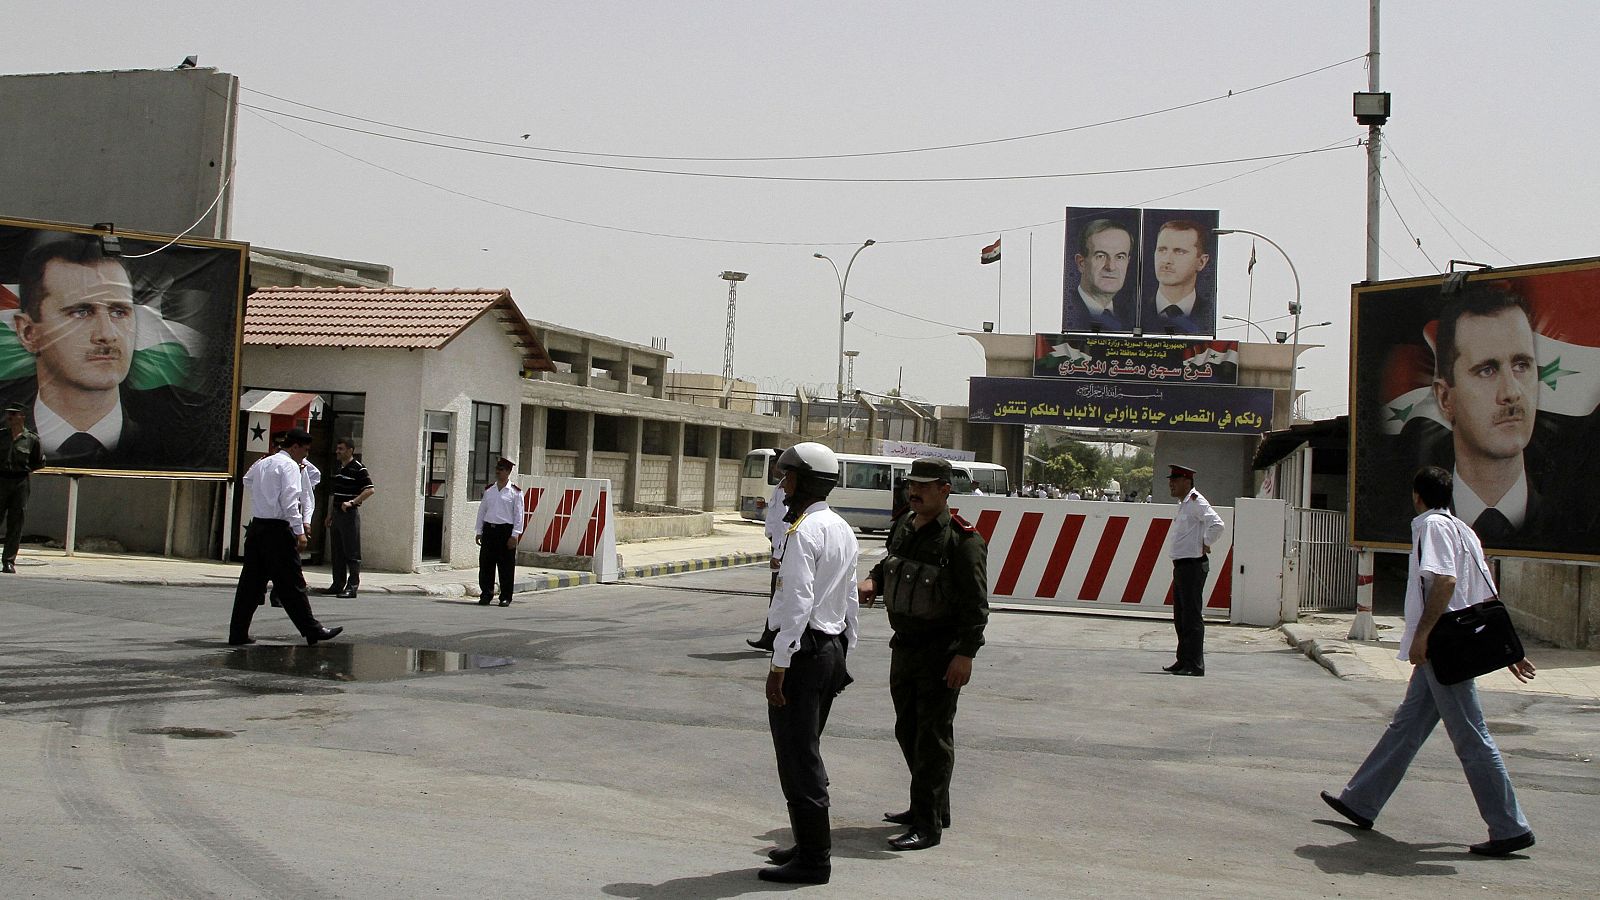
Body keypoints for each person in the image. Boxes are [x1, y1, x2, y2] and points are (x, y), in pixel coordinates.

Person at [1321, 465, 1536, 857]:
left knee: (1472, 737)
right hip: (1453, 644)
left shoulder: (1431, 527)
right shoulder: (1464, 530)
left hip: (1443, 646)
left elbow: (1446, 581)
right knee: (1406, 726)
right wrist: (1510, 649)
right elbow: (1486, 592)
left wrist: (1422, 638)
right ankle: (1360, 800)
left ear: (1417, 495)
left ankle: (1509, 826)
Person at [859, 456, 988, 852]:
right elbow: (890, 564)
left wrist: (965, 654)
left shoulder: (961, 541)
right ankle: (929, 805)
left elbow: (975, 605)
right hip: (906, 646)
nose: (914, 492)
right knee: (908, 729)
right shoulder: (903, 525)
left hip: (941, 652)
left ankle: (927, 825)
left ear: (945, 490)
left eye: (925, 487)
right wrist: (873, 580)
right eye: (912, 485)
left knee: (932, 736)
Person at [2, 235, 198, 468]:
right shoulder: (5, 437)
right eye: (81, 312)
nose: (107, 334)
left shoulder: (173, 443)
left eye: (119, 312)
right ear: (28, 333)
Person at [758, 442, 859, 885]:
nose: (783, 484)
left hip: (805, 652)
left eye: (789, 477)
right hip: (830, 648)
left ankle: (815, 860)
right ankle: (805, 843)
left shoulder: (804, 532)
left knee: (799, 758)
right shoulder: (841, 528)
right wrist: (844, 650)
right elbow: (851, 597)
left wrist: (780, 663)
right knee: (806, 749)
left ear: (807, 482)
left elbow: (797, 600)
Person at [1431, 287, 1542, 544]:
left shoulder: (1574, 527)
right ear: (1445, 398)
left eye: (1521, 365)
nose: (1511, 392)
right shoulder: (1410, 525)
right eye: (1487, 371)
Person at [228, 427, 343, 647]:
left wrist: (264, 497)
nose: (305, 456)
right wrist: (299, 531)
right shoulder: (289, 465)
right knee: (292, 583)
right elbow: (291, 502)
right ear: (295, 447)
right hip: (278, 530)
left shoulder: (264, 462)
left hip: (257, 528)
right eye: (305, 451)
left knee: (250, 585)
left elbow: (247, 480)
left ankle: (238, 632)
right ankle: (312, 629)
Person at [1164, 464, 1223, 676]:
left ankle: (1195, 664)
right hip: (1181, 565)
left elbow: (1217, 524)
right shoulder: (1184, 504)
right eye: (1171, 479)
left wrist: (1205, 542)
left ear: (1187, 482)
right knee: (1180, 616)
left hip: (1192, 565)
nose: (1171, 483)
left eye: (1176, 479)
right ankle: (1183, 660)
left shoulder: (1196, 501)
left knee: (1191, 616)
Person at [1064, 218, 1137, 332]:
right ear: (1081, 263)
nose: (1110, 267)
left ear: (1128, 261)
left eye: (1120, 257)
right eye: (1101, 256)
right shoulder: (1067, 311)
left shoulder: (1131, 319)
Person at [324, 436, 375, 598]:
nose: (337, 452)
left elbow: (369, 489)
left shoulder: (359, 468)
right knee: (337, 551)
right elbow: (336, 494)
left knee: (351, 552)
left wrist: (352, 502)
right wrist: (330, 515)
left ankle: (352, 586)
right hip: (337, 515)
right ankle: (337, 584)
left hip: (349, 515)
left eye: (341, 449)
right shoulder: (340, 469)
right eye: (337, 448)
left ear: (350, 450)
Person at [747, 451, 788, 651]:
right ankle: (770, 637)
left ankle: (774, 638)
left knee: (780, 594)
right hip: (777, 546)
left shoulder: (788, 489)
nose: (773, 469)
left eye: (775, 465)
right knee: (776, 594)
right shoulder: (780, 487)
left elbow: (785, 525)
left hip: (782, 550)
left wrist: (778, 554)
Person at [1142, 221, 1213, 335]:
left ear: (1201, 262)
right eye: (1162, 250)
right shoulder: (1133, 313)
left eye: (1179, 251)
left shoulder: (1210, 313)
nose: (1167, 260)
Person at [1, 402, 45, 573]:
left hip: (20, 482)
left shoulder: (31, 439)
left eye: (14, 414)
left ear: (22, 417)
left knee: (16, 522)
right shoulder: (2, 436)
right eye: (8, 414)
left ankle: (9, 561)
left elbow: (39, 462)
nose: (10, 417)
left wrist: (22, 470)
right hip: (1, 480)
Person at [475, 457, 524, 607]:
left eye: (501, 469)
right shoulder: (489, 490)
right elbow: (482, 511)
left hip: (505, 532)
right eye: (497, 469)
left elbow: (519, 515)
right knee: (486, 565)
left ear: (508, 472)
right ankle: (486, 594)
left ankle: (505, 597)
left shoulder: (515, 493)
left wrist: (515, 534)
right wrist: (479, 531)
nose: (498, 472)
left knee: (506, 567)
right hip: (490, 530)